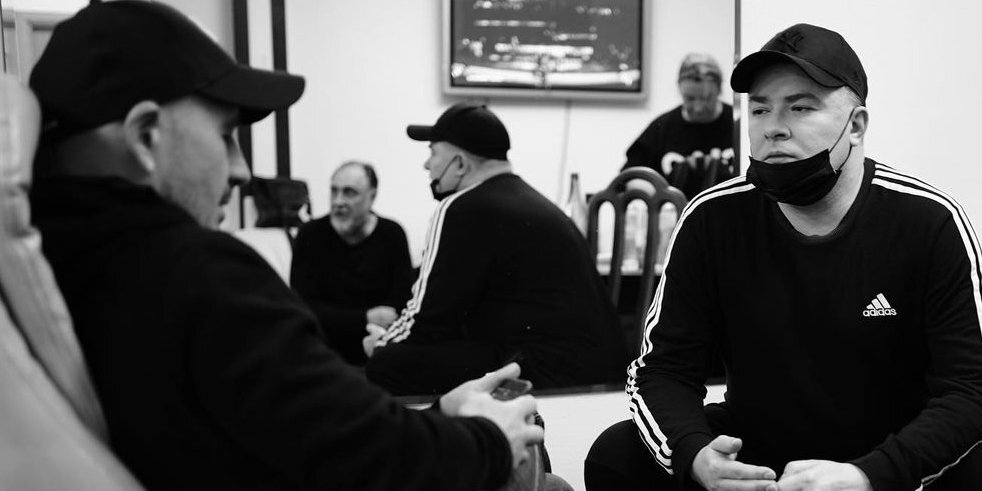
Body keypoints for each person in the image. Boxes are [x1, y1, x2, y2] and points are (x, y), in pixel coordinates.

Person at [27, 2, 544, 490]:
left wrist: (438, 416)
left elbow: (314, 437)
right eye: (225, 134)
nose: (241, 170)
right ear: (145, 137)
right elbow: (370, 459)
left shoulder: (58, 266)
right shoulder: (195, 274)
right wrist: (490, 438)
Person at [585, 23, 982, 491]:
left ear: (856, 126)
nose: (773, 127)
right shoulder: (711, 218)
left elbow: (970, 389)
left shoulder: (929, 221)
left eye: (801, 107)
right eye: (759, 109)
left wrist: (868, 476)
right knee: (616, 454)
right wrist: (696, 456)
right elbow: (661, 370)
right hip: (760, 454)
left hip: (888, 457)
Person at [363, 103, 627, 395]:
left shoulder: (460, 207)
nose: (427, 165)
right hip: (595, 370)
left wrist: (382, 345)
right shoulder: (532, 201)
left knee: (386, 364)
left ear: (460, 164)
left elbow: (428, 319)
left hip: (542, 372)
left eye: (433, 153)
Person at [290, 160, 414, 365]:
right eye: (334, 191)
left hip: (378, 349)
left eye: (349, 192)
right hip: (323, 350)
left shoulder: (392, 234)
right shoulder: (310, 235)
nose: (338, 201)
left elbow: (400, 303)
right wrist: (365, 318)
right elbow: (303, 306)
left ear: (372, 196)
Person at [623, 53, 735, 200]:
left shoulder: (737, 123)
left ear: (719, 90)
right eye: (690, 98)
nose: (698, 108)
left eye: (706, 98)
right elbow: (629, 177)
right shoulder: (662, 127)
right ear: (680, 90)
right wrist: (662, 197)